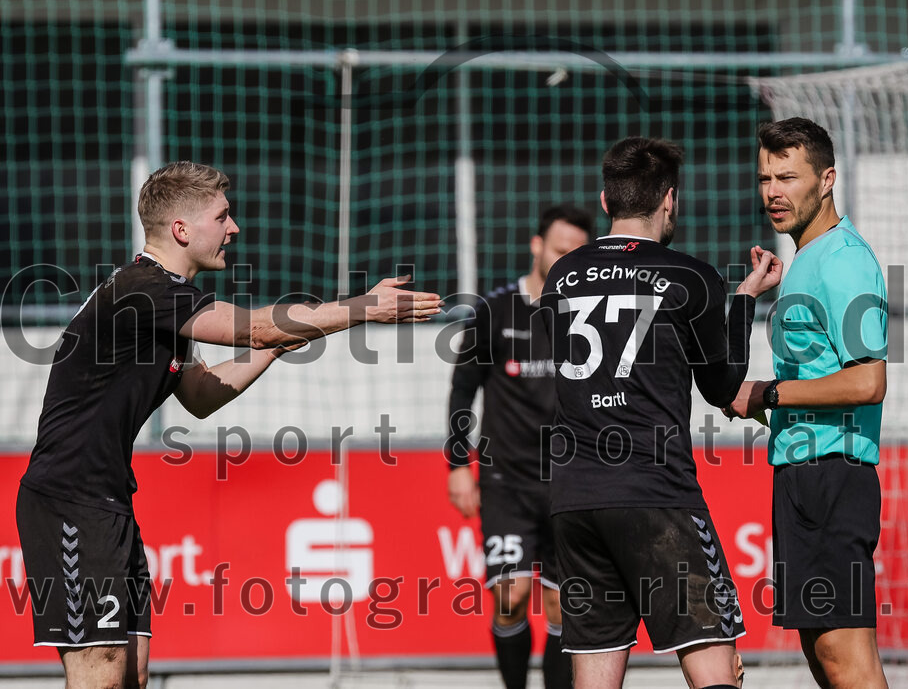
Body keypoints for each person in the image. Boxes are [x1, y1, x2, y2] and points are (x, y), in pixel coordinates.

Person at [16, 161, 443, 688]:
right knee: (99, 672)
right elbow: (254, 329)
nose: (233, 228)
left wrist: (285, 338)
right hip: (68, 500)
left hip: (106, 499)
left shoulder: (164, 298)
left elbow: (201, 395)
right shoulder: (144, 289)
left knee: (134, 675)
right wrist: (361, 308)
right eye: (222, 216)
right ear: (181, 230)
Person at [539, 136, 782, 689]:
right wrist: (744, 300)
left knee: (595, 677)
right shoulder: (692, 278)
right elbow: (721, 386)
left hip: (576, 500)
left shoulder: (562, 277)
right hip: (656, 494)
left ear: (606, 202)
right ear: (669, 200)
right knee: (716, 671)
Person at [725, 117, 889, 689]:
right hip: (802, 474)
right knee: (824, 661)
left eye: (788, 177)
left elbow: (868, 381)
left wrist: (767, 394)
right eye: (766, 177)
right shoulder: (805, 260)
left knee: (848, 662)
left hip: (834, 475)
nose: (773, 191)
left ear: (827, 180)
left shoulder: (844, 260)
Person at [445, 204, 594, 689]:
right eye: (558, 248)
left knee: (559, 603)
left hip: (569, 482)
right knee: (510, 595)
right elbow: (462, 390)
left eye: (576, 252)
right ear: (536, 246)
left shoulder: (589, 317)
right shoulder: (494, 311)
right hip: (505, 479)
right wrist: (457, 465)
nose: (565, 258)